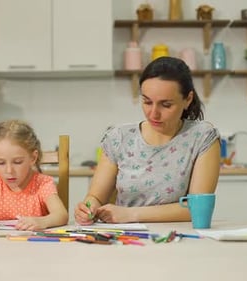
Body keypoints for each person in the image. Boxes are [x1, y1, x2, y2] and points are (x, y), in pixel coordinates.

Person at [74, 56, 221, 225]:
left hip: (179, 238)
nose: (153, 113)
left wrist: (130, 214)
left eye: (166, 105)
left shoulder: (202, 137)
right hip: (125, 238)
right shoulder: (118, 137)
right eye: (147, 102)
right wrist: (87, 208)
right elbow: (96, 197)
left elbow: (196, 208)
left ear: (187, 99)